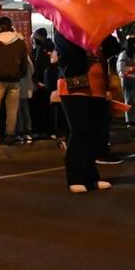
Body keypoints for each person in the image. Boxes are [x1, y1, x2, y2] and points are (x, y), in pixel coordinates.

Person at [55, 31, 113, 194]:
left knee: (94, 133)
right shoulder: (64, 32)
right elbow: (71, 54)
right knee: (79, 131)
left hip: (98, 87)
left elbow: (113, 47)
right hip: (74, 86)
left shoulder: (96, 30)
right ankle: (75, 178)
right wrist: (87, 36)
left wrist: (102, 31)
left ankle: (91, 177)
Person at [0, 16, 28, 142]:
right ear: (11, 25)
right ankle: (10, 133)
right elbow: (24, 62)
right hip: (14, 80)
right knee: (12, 109)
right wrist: (20, 74)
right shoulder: (20, 41)